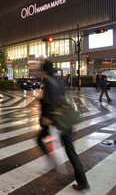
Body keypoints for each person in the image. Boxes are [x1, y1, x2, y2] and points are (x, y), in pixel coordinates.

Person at [37, 60, 89, 191]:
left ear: (44, 71)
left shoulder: (47, 81)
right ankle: (82, 181)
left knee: (39, 139)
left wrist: (47, 117)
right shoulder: (59, 81)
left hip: (55, 121)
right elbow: (59, 98)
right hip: (65, 119)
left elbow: (52, 101)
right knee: (70, 150)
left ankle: (51, 160)